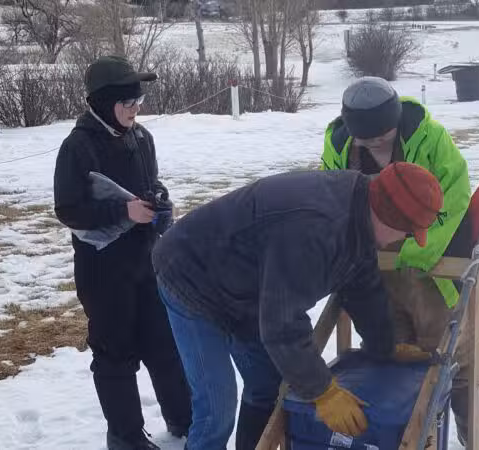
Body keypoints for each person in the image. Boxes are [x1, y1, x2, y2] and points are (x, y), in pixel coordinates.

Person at [151, 162, 444, 450]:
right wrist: (323, 391)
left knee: (267, 385)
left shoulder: (359, 209)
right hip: (191, 277)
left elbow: (362, 286)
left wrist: (385, 345)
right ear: (388, 217)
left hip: (247, 287)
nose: (403, 240)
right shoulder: (315, 228)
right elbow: (282, 323)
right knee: (218, 408)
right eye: (406, 233)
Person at [320, 76, 479, 448]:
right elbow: (333, 197)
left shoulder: (430, 138)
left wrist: (414, 253)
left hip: (434, 267)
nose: (376, 144)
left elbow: (453, 197)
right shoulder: (338, 145)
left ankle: (476, 437)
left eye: (384, 135)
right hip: (377, 272)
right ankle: (409, 438)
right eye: (367, 140)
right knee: (395, 358)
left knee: (452, 357)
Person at [53, 55, 191, 450]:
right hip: (103, 269)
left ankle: (184, 419)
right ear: (102, 103)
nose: (135, 109)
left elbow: (151, 183)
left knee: (164, 345)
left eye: (138, 101)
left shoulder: (141, 137)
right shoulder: (77, 147)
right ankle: (126, 436)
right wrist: (122, 210)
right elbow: (68, 209)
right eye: (127, 103)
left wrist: (159, 201)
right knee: (116, 354)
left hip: (146, 260)